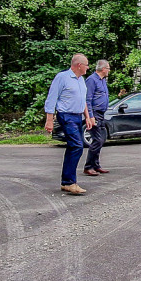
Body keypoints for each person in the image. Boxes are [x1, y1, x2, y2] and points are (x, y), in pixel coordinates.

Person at [45, 54, 94, 195]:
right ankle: (69, 182)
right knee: (77, 146)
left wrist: (88, 117)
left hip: (78, 116)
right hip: (66, 115)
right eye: (86, 64)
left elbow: (82, 99)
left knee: (74, 147)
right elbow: (51, 98)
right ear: (79, 65)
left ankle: (67, 182)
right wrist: (49, 120)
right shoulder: (62, 77)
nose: (88, 67)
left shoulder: (81, 80)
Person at [83, 59, 111, 176]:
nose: (109, 70)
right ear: (103, 69)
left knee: (101, 139)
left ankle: (96, 164)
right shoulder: (92, 80)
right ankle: (88, 166)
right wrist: (90, 116)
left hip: (101, 113)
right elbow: (87, 99)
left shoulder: (103, 80)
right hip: (94, 113)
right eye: (108, 68)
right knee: (97, 139)